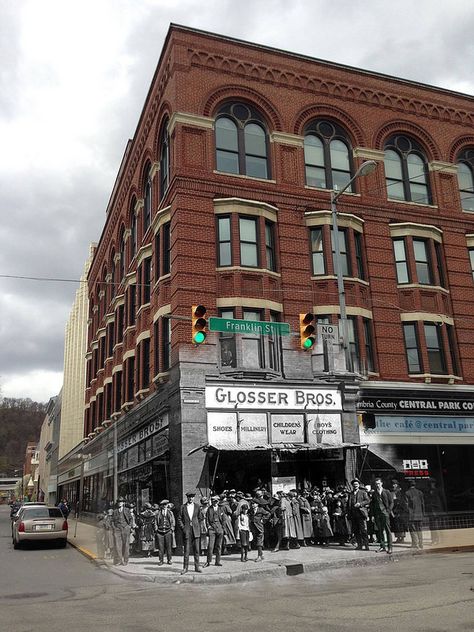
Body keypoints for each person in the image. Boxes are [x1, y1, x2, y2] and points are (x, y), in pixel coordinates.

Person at [177, 491, 202, 575]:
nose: (191, 499)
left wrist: (196, 525)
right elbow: (179, 519)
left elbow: (200, 517)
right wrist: (183, 528)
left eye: (192, 497)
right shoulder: (183, 507)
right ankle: (185, 568)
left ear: (194, 498)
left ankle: (197, 567)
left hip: (196, 531)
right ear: (187, 498)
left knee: (197, 550)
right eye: (189, 497)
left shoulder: (197, 506)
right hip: (187, 531)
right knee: (186, 551)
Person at [370, 478, 394, 554]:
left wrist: (388, 511)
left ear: (382, 483)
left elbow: (391, 502)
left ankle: (390, 547)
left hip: (385, 513)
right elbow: (372, 505)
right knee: (380, 531)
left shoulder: (386, 492)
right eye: (376, 484)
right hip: (377, 514)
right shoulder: (374, 493)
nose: (377, 485)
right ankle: (382, 546)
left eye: (378, 483)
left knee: (388, 530)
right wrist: (373, 515)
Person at [347, 479, 370, 551]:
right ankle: (359, 545)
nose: (355, 486)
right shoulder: (350, 494)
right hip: (353, 515)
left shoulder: (363, 492)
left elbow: (368, 500)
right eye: (354, 485)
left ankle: (366, 545)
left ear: (359, 485)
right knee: (356, 531)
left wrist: (360, 504)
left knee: (363, 530)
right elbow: (348, 504)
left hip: (361, 514)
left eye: (356, 484)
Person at [112, 497, 135, 565]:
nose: (120, 503)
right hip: (117, 530)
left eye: (121, 502)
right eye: (119, 502)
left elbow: (131, 519)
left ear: (123, 503)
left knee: (126, 545)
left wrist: (129, 526)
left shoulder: (127, 510)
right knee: (118, 545)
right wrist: (114, 528)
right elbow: (112, 521)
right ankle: (119, 560)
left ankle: (125, 560)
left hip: (125, 529)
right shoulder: (115, 511)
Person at [204, 495, 225, 567]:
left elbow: (224, 519)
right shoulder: (209, 509)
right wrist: (208, 526)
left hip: (219, 528)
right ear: (212, 502)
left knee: (219, 546)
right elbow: (206, 519)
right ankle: (208, 561)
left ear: (218, 502)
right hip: (212, 529)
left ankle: (217, 561)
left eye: (216, 501)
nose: (215, 503)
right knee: (210, 546)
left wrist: (222, 528)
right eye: (214, 501)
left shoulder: (221, 509)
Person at [405, 479, 425, 550]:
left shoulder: (407, 493)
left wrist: (407, 513)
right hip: (419, 514)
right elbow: (423, 504)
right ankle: (421, 544)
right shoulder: (420, 492)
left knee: (413, 530)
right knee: (419, 529)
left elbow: (406, 505)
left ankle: (415, 544)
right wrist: (423, 513)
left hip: (411, 515)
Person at [156, 499, 175, 565]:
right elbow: (156, 522)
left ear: (167, 505)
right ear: (161, 506)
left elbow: (173, 521)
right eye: (163, 505)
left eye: (166, 504)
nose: (164, 506)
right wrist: (156, 529)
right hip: (160, 532)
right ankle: (161, 560)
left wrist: (172, 529)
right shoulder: (158, 513)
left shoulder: (170, 513)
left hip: (168, 531)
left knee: (168, 546)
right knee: (161, 547)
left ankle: (169, 560)